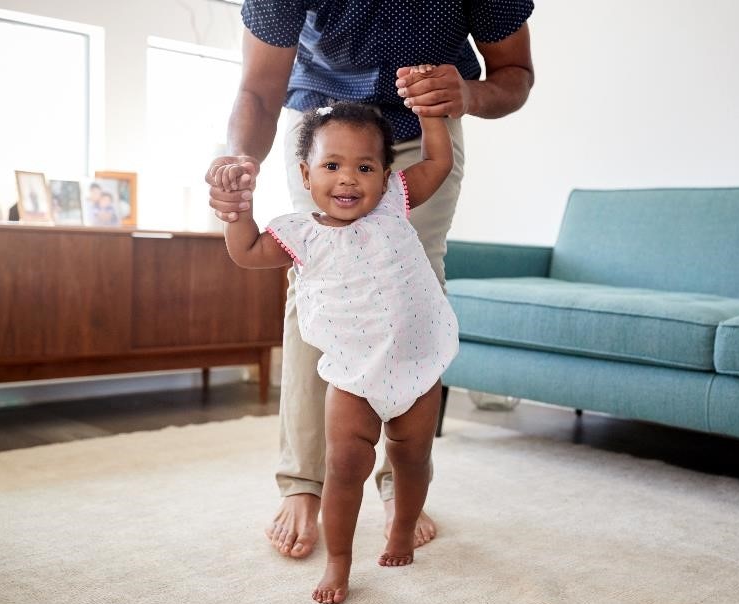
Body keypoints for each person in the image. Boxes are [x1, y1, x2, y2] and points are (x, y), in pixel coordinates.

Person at [206, 0, 535, 561]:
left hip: (421, 130)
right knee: (317, 286)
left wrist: (466, 95)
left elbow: (516, 74)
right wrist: (237, 168)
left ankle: (399, 478)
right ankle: (306, 483)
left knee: (414, 283)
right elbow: (259, 92)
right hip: (324, 133)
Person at [221, 98, 457, 604]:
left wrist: (432, 116)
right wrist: (236, 210)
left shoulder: (396, 202)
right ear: (306, 175)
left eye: (364, 167)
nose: (348, 179)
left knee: (412, 457)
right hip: (351, 375)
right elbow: (243, 252)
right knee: (346, 466)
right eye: (332, 166)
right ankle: (339, 562)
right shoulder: (299, 234)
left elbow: (438, 162)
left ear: (386, 174)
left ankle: (401, 527)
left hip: (415, 364)